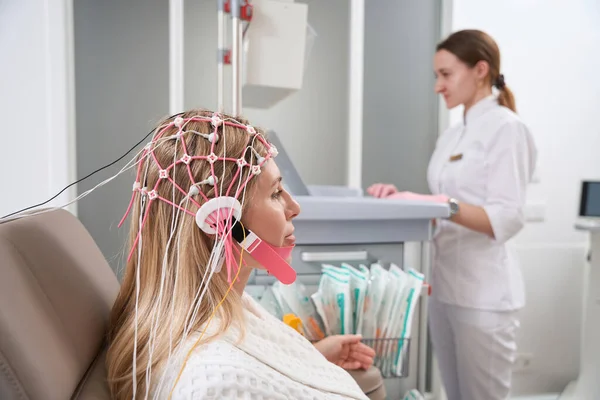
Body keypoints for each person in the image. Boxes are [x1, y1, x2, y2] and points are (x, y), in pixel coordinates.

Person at [106, 109, 374, 400]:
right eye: (276, 193)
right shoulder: (214, 383)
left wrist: (311, 362)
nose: (294, 207)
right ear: (221, 221)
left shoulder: (222, 306)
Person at [368, 29, 537, 400]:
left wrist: (435, 203)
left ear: (480, 69)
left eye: (446, 75)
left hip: (484, 296)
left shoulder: (507, 129)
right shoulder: (452, 135)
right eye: (436, 76)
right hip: (445, 290)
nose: (437, 86)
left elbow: (506, 218)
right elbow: (450, 204)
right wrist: (402, 200)